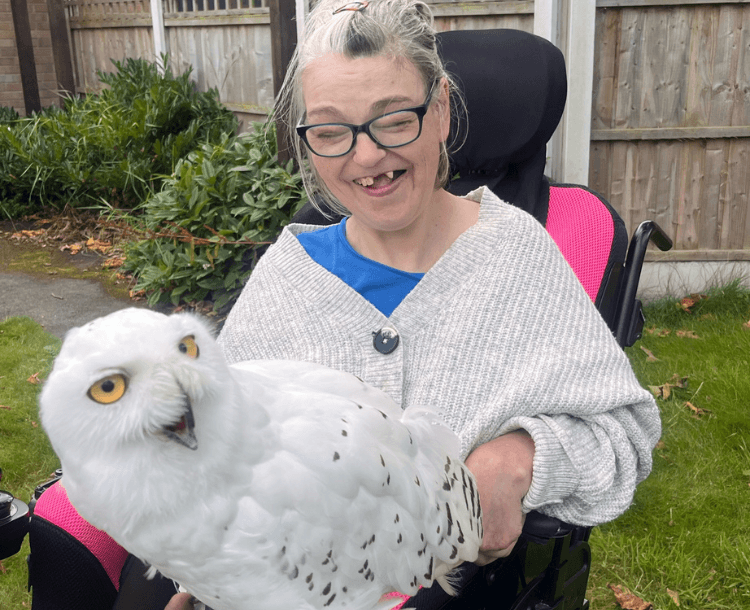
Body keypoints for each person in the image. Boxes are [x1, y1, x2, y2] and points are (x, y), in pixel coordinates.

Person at [160, 0, 660, 608]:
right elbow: (217, 442)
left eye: (394, 119)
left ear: (442, 110)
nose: (366, 156)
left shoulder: (517, 257)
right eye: (329, 131)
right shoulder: (287, 278)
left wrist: (522, 457)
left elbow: (623, 435)